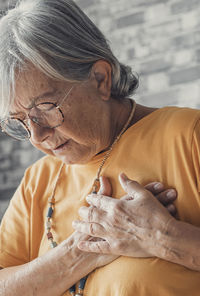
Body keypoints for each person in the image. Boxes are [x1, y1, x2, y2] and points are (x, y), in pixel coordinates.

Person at [0, 0, 200, 295]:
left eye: (46, 107)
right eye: (20, 122)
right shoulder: (36, 182)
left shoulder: (189, 137)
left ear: (100, 79)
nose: (37, 136)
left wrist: (164, 237)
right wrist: (82, 250)